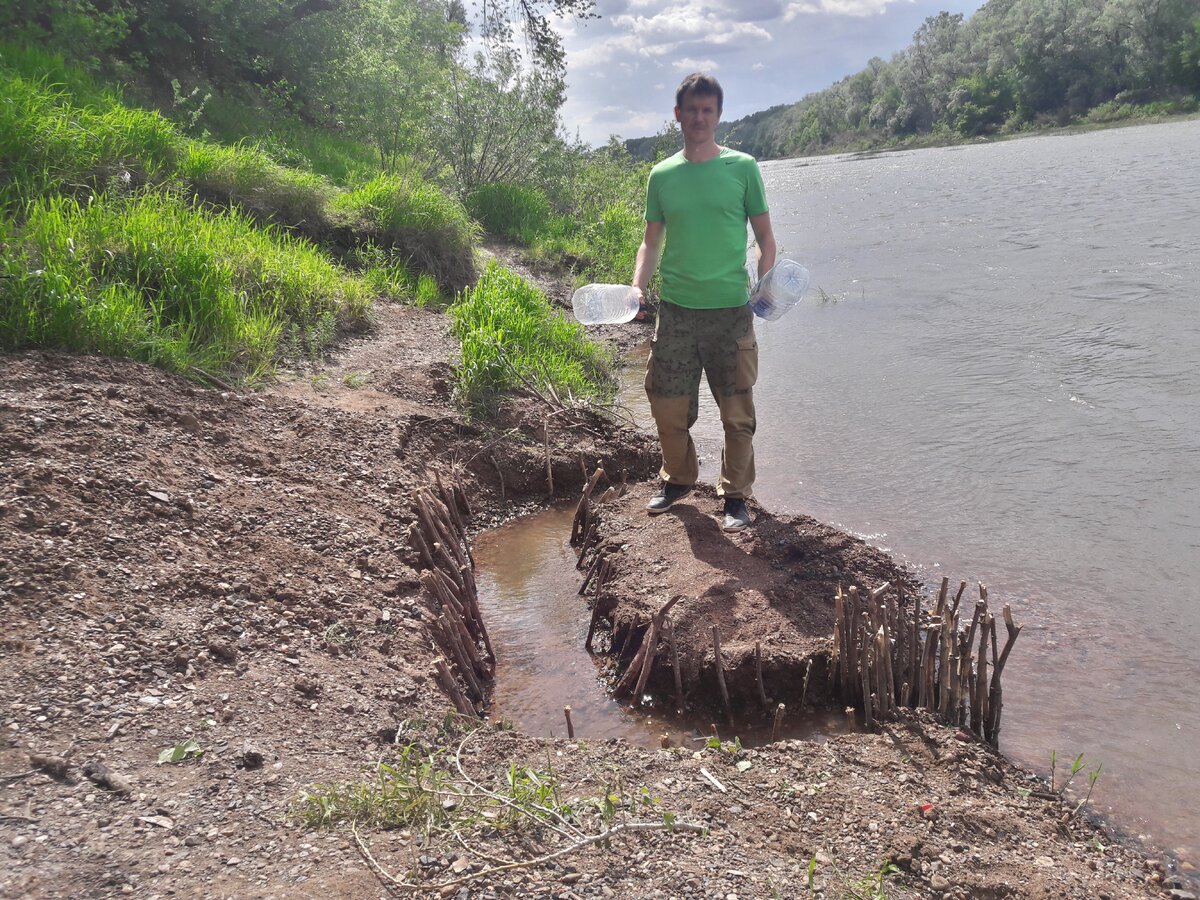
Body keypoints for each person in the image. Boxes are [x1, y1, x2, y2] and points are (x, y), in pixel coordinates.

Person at [631, 72, 777, 532]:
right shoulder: (662, 175)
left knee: (737, 413)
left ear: (718, 115)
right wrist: (638, 287)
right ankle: (677, 480)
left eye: (707, 110)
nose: (699, 117)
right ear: (678, 114)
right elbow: (651, 243)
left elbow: (765, 238)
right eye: (691, 109)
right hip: (675, 311)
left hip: (731, 312)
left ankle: (736, 496)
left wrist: (765, 284)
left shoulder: (743, 168)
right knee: (666, 404)